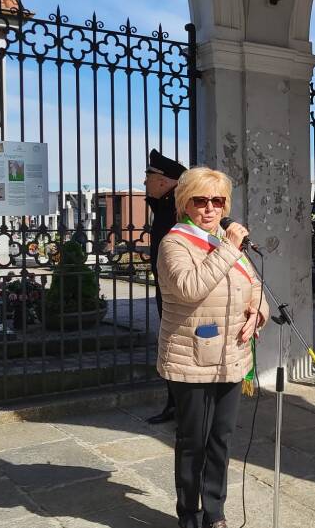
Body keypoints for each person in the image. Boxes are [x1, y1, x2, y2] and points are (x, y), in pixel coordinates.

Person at [157, 167, 269, 528]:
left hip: (231, 357)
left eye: (217, 201)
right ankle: (189, 515)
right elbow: (190, 287)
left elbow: (254, 285)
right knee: (193, 443)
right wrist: (226, 249)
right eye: (200, 200)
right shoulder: (174, 243)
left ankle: (215, 513)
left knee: (221, 438)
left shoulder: (224, 240)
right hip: (191, 358)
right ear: (185, 203)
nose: (209, 208)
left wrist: (258, 313)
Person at [145, 149, 187, 425]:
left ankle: (182, 407)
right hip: (167, 289)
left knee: (177, 349)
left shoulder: (176, 210)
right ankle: (175, 405)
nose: (145, 182)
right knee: (171, 348)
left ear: (163, 181)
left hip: (176, 292)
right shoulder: (164, 205)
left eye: (148, 177)